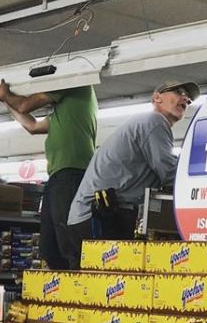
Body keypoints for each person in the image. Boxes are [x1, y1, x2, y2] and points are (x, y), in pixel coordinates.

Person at [67, 80, 199, 250]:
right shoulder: (154, 121)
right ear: (157, 97)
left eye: (188, 100)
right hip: (96, 217)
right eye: (179, 92)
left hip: (93, 217)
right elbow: (170, 173)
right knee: (107, 275)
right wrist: (203, 192)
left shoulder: (145, 125)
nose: (185, 99)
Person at [0, 81, 97, 270]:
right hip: (58, 177)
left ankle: (76, 289)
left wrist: (6, 94)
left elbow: (25, 105)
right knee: (49, 247)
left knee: (69, 244)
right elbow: (32, 126)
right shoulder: (64, 113)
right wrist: (5, 102)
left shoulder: (75, 83)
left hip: (72, 174)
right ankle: (59, 287)